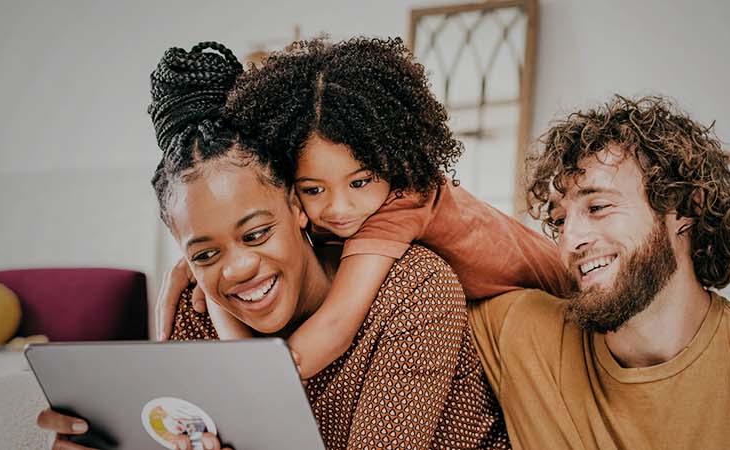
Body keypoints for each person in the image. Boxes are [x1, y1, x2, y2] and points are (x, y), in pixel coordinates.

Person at [38, 41, 508, 450]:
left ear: (295, 205)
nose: (238, 268)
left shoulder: (412, 289)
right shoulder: (197, 312)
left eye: (256, 234)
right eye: (205, 253)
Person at [156, 36, 574, 379]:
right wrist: (198, 266)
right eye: (312, 189)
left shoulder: (399, 204)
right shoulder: (349, 210)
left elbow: (335, 328)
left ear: (393, 161)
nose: (339, 209)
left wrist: (245, 383)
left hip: (562, 296)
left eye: (360, 181)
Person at [467, 95, 730, 449]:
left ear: (684, 207)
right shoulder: (522, 331)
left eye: (598, 207)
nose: (570, 240)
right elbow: (421, 210)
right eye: (560, 221)